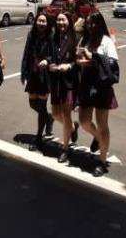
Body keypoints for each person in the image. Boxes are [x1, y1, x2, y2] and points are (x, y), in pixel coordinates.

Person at [76, 11, 119, 177]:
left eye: (94, 23)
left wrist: (93, 57)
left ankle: (102, 161)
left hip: (102, 86)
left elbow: (112, 63)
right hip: (86, 84)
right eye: (88, 23)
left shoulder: (107, 41)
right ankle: (97, 137)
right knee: (84, 121)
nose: (91, 26)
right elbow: (79, 59)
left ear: (100, 24)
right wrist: (82, 60)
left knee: (103, 125)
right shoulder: (84, 40)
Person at [20, 13, 55, 151]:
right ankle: (49, 118)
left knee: (41, 106)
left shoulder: (51, 36)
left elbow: (54, 55)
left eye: (44, 21)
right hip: (33, 74)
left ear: (47, 24)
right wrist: (24, 73)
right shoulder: (31, 35)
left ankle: (39, 138)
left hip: (45, 76)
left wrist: (47, 61)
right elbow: (26, 54)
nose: (41, 23)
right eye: (39, 21)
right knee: (32, 103)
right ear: (36, 22)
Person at [48, 12, 78, 163]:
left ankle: (65, 148)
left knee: (66, 115)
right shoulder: (53, 37)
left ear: (69, 21)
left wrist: (69, 65)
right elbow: (48, 55)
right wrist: (49, 64)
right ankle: (73, 127)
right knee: (55, 114)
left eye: (63, 20)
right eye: (58, 20)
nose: (60, 23)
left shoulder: (75, 38)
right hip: (55, 81)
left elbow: (78, 61)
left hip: (68, 83)